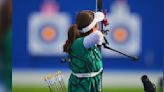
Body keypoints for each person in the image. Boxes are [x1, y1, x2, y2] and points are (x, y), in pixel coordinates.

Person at [63, 10, 104, 92]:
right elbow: (98, 35)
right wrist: (100, 41)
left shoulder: (88, 43)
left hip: (92, 85)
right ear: (93, 27)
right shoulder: (78, 44)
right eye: (97, 24)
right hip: (82, 86)